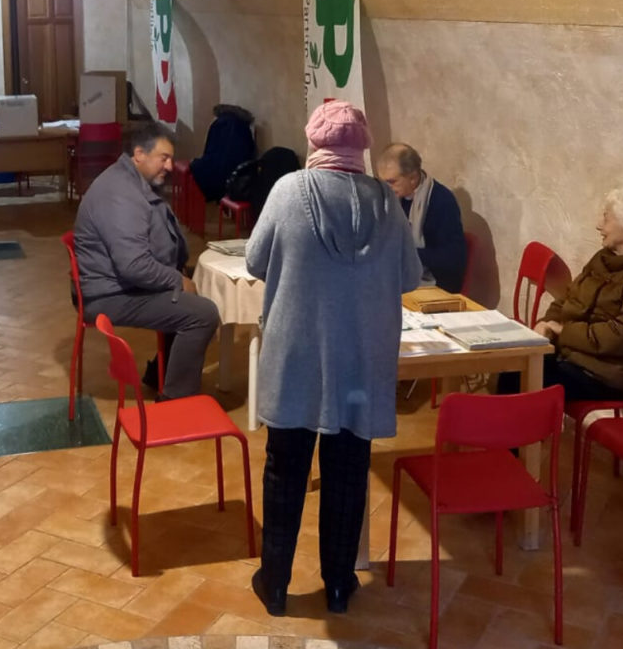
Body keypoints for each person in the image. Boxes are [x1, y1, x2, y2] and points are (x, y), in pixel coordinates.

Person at [245, 101, 421, 617]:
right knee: (347, 472)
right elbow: (410, 277)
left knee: (285, 470)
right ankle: (339, 584)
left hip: (297, 356)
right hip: (361, 360)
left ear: (315, 143)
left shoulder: (288, 191)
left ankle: (276, 584)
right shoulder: (386, 202)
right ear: (361, 147)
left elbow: (255, 259)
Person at [73, 123, 219, 400]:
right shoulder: (120, 195)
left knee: (203, 284)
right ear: (139, 154)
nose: (170, 166)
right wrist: (176, 279)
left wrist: (180, 275)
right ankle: (175, 399)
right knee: (203, 314)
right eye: (164, 158)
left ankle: (160, 373)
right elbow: (133, 266)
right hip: (110, 295)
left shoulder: (131, 182)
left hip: (121, 284)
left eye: (171, 159)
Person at [499, 188, 623, 401]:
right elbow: (568, 297)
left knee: (519, 380)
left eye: (607, 219)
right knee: (511, 364)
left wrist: (564, 332)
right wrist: (546, 325)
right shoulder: (604, 258)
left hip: (606, 375)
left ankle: (514, 423)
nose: (599, 226)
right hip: (572, 356)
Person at [375, 143, 467, 294]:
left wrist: (408, 253)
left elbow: (453, 258)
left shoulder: (441, 201)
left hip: (436, 284)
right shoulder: (393, 199)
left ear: (413, 178)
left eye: (391, 182)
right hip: (402, 275)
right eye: (383, 182)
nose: (386, 188)